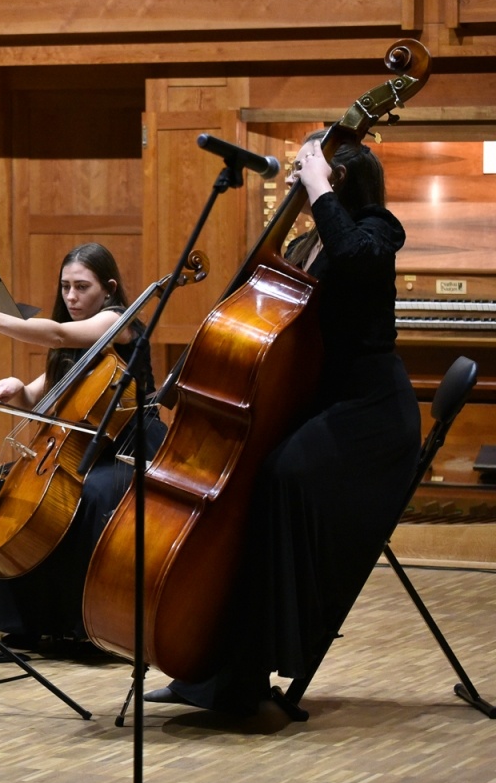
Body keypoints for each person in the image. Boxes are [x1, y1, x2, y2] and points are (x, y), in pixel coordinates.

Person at [147, 136, 420, 717]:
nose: (296, 181)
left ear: (338, 180)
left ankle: (254, 669)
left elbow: (355, 258)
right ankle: (216, 674)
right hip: (320, 400)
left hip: (372, 413)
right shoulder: (304, 242)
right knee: (255, 488)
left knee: (282, 476)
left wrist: (318, 187)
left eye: (307, 172)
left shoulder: (377, 228)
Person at [0, 242, 161, 648]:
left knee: (89, 496)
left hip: (127, 449)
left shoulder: (119, 322)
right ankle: (20, 618)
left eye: (82, 287)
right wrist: (14, 387)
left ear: (109, 288)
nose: (71, 296)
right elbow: (35, 400)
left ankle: (84, 625)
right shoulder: (69, 348)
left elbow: (57, 332)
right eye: (65, 286)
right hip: (81, 448)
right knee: (0, 482)